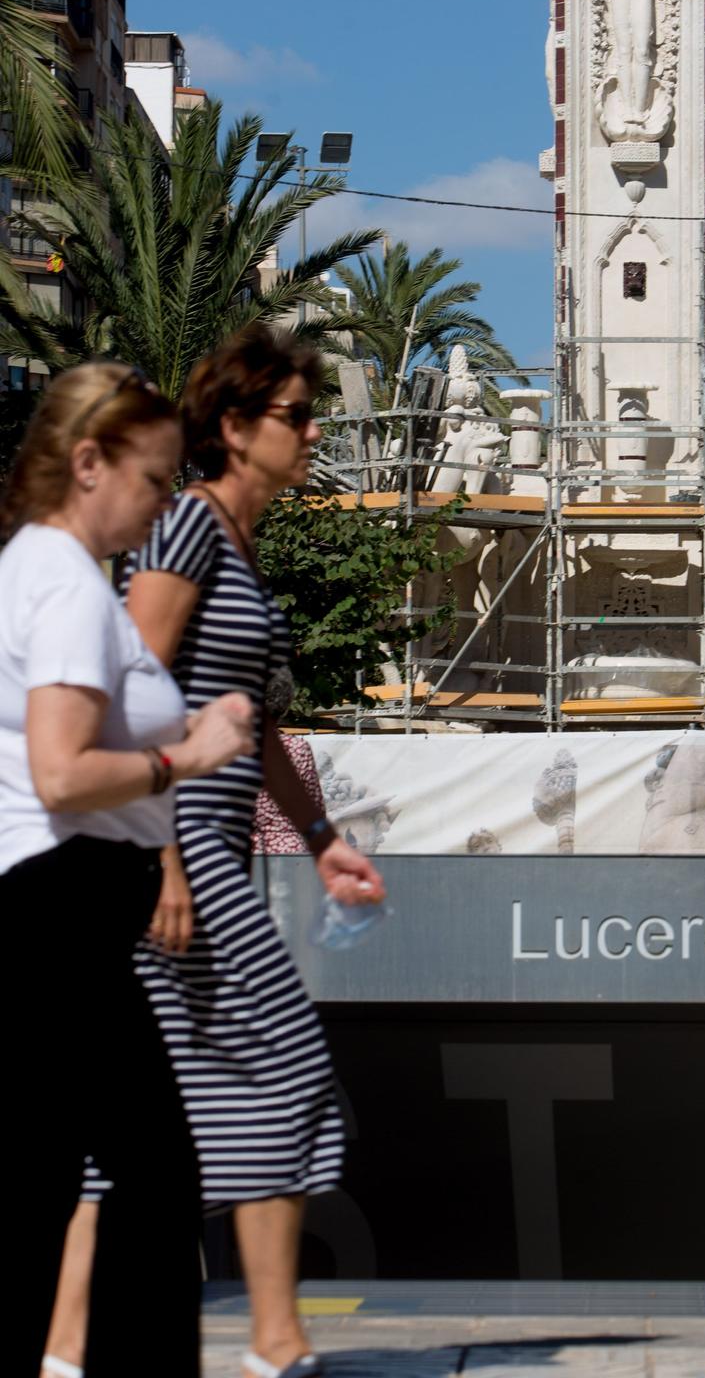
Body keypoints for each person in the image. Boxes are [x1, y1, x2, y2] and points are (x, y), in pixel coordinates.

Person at [45, 326, 384, 1378]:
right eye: (295, 413)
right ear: (234, 429)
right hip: (174, 848)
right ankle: (276, 1340)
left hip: (210, 852)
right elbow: (130, 689)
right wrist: (168, 861)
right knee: (283, 1064)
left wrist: (322, 838)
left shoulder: (243, 549)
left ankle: (65, 1343)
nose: (315, 429)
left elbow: (262, 722)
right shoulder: (188, 527)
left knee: (147, 1110)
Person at [0, 363, 253, 1377]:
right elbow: (61, 770)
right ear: (88, 461)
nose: (162, 507)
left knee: (50, 1176)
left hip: (56, 909)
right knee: (151, 1176)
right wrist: (187, 755)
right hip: (57, 906)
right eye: (152, 481)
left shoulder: (34, 568)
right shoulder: (63, 583)